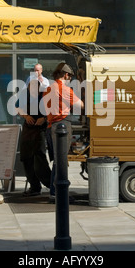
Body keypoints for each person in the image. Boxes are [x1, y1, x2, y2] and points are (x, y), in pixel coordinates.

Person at [43, 63, 84, 203]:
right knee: (61, 161)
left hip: (50, 126)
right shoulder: (65, 89)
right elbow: (81, 106)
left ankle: (54, 191)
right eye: (70, 76)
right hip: (61, 125)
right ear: (66, 75)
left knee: (56, 161)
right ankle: (57, 193)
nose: (70, 79)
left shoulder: (48, 89)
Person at [16, 77, 52, 196]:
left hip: (40, 128)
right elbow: (17, 108)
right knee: (26, 157)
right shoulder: (24, 94)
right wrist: (26, 116)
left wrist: (44, 118)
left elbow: (52, 110)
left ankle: (51, 184)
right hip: (28, 128)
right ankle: (34, 186)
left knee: (39, 157)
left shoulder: (44, 95)